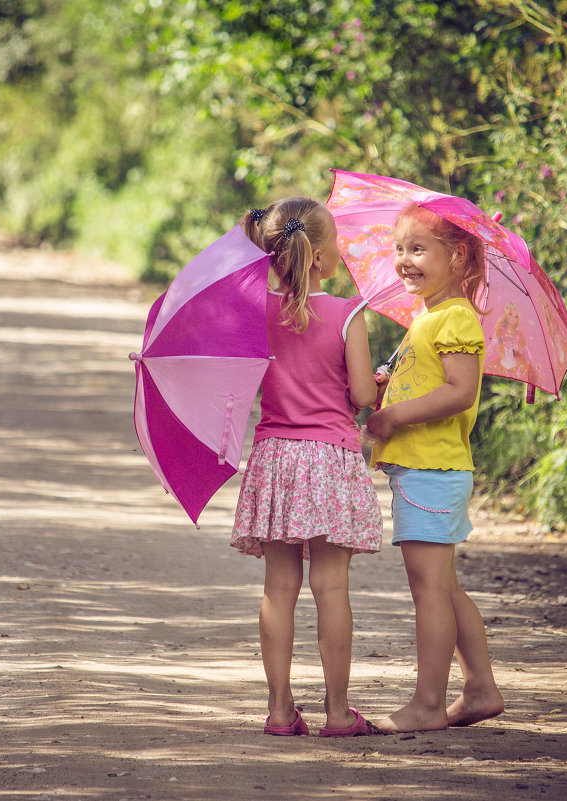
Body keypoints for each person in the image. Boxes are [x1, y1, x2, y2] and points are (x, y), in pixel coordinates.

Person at [231, 197, 383, 737]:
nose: (342, 251)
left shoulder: (253, 313)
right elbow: (362, 395)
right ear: (319, 256)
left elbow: (246, 384)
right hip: (329, 459)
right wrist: (374, 385)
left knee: (278, 590)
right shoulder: (346, 315)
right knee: (331, 587)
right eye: (338, 242)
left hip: (275, 458)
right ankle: (338, 713)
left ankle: (278, 711)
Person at [363, 202, 505, 733]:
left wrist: (393, 414)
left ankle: (427, 704)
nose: (404, 260)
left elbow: (460, 391)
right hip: (425, 472)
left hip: (433, 471)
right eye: (399, 249)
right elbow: (430, 380)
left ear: (460, 256)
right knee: (443, 588)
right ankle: (481, 690)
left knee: (428, 590)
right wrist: (389, 385)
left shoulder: (455, 316)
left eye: (418, 249)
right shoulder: (426, 316)